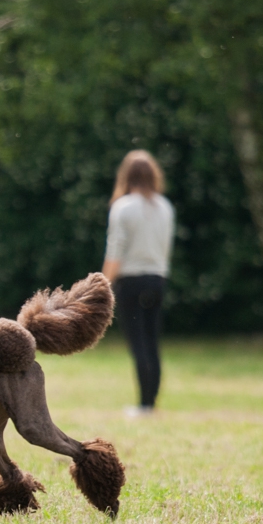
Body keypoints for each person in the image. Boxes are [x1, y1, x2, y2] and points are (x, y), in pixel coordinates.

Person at [101, 150, 175, 417]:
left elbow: (115, 252)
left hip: (131, 281)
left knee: (138, 342)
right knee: (152, 342)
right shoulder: (165, 207)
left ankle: (143, 405)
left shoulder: (123, 207)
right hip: (157, 280)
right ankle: (150, 402)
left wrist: (102, 285)